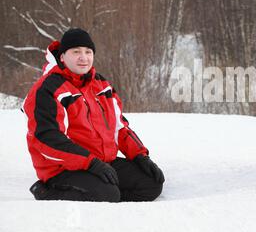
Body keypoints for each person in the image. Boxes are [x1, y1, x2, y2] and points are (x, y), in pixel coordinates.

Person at [23, 28, 165, 201]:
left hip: (101, 162)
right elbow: (47, 139)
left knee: (151, 184)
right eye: (76, 52)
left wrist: (140, 156)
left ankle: (105, 191)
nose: (83, 57)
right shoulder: (48, 88)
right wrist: (90, 162)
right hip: (62, 168)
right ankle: (47, 191)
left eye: (88, 52)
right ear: (62, 57)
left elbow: (120, 128)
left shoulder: (101, 84)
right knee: (106, 193)